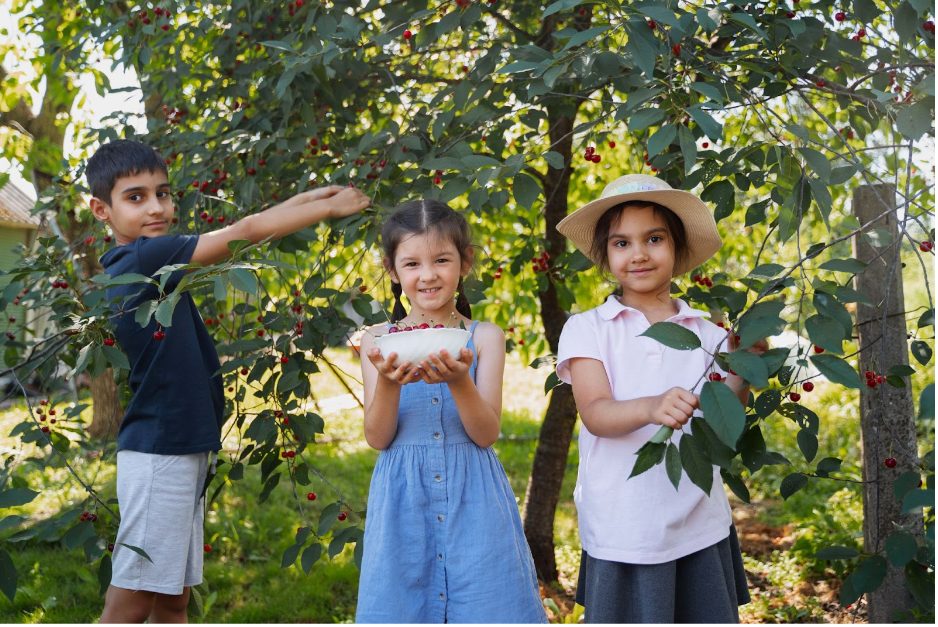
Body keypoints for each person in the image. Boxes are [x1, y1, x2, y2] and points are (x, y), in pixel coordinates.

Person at [87, 139, 370, 623]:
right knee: (131, 599)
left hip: (183, 448)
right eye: (135, 197)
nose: (156, 207)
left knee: (174, 595)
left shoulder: (150, 262)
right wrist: (326, 210)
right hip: (161, 452)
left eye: (163, 193)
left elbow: (249, 224)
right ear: (101, 210)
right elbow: (245, 232)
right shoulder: (143, 259)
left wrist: (313, 197)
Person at [555, 173, 755, 623]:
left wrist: (743, 366)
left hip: (698, 520)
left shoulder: (709, 333)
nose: (639, 254)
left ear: (678, 248)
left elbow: (725, 418)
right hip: (624, 525)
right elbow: (596, 413)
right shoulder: (589, 328)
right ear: (605, 256)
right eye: (622, 243)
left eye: (654, 238)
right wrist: (650, 406)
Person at [355, 199, 546, 623]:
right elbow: (377, 438)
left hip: (474, 500)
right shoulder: (377, 341)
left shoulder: (485, 338)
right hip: (403, 504)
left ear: (465, 262)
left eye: (442, 260)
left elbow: (485, 433)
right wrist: (388, 381)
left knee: (484, 602)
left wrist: (460, 380)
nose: (427, 275)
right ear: (391, 270)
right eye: (412, 264)